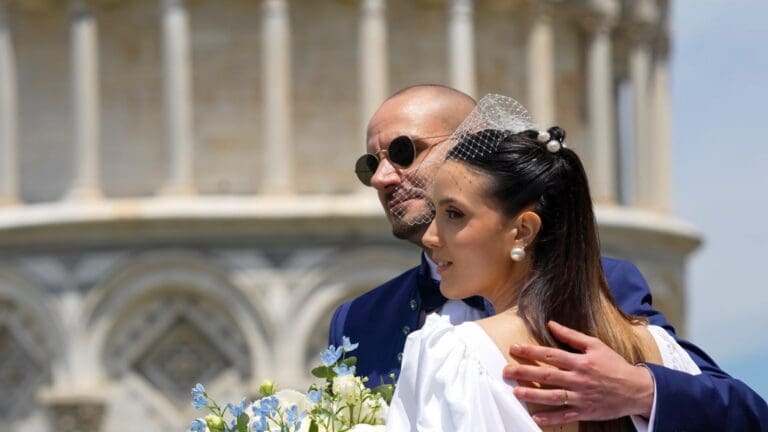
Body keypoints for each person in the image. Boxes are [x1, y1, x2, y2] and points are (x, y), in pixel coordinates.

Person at [329, 86, 768, 430]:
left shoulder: (606, 287)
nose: (384, 178)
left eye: (405, 151)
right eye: (370, 165)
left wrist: (642, 389)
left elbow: (742, 414)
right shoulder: (359, 320)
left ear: (475, 146)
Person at [387, 123, 703, 431]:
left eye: (454, 214)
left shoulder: (453, 353)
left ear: (522, 231)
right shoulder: (656, 348)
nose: (431, 236)